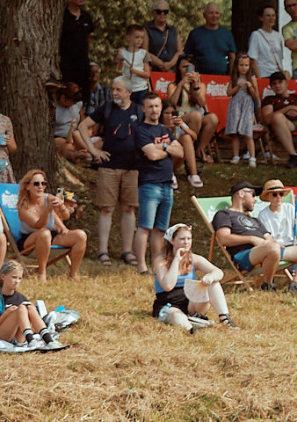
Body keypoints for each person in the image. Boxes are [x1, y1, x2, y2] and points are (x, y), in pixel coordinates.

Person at [79, 72, 143, 264]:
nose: (114, 93)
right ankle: (102, 251)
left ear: (129, 92)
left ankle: (127, 251)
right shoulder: (105, 108)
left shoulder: (140, 111)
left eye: (118, 90)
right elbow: (83, 126)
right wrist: (93, 151)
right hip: (109, 167)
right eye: (113, 89)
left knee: (128, 208)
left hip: (133, 167)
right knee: (106, 208)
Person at [131, 94, 182, 272]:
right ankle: (141, 266)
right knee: (145, 226)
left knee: (160, 229)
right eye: (150, 106)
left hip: (167, 185)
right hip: (149, 184)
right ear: (144, 109)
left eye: (157, 106)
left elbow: (181, 152)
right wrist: (169, 149)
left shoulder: (165, 130)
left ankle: (156, 264)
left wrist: (162, 148)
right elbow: (151, 155)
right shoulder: (141, 130)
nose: (154, 110)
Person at [150, 223, 233, 331]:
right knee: (177, 317)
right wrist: (176, 260)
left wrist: (210, 277)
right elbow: (168, 286)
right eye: (182, 239)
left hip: (191, 302)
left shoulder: (194, 258)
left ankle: (225, 319)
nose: (186, 242)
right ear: (172, 241)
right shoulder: (161, 261)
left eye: (189, 238)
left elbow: (218, 272)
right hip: (169, 304)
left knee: (214, 283)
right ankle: (191, 328)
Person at [252, 178, 297, 290]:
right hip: (274, 250)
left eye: (281, 194)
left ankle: (294, 284)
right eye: (274, 194)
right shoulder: (263, 215)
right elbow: (266, 237)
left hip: (290, 248)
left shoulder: (289, 208)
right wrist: (276, 245)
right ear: (268, 197)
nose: (279, 197)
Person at [13, 171, 87, 278]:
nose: (40, 187)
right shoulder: (23, 207)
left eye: (43, 183)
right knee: (44, 233)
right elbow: (38, 225)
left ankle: (73, 274)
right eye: (36, 184)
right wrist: (47, 210)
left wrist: (61, 207)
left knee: (80, 235)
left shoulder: (48, 198)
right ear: (27, 186)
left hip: (49, 236)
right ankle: (41, 273)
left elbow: (65, 216)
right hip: (29, 240)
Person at [0, 259, 60, 349]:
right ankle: (30, 340)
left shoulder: (20, 298)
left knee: (30, 307)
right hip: (4, 334)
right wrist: (7, 314)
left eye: (19, 278)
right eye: (14, 277)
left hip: (19, 336)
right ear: (3, 277)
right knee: (21, 309)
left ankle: (48, 340)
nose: (17, 281)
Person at [222, 52, 259, 165]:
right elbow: (229, 92)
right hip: (235, 106)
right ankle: (236, 155)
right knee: (235, 132)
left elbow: (256, 95)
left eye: (246, 65)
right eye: (241, 65)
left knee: (247, 132)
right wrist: (238, 86)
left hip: (247, 106)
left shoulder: (252, 78)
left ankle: (252, 157)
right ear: (236, 66)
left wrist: (250, 86)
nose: (244, 68)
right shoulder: (234, 78)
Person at [183, 1, 237, 77]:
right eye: (211, 13)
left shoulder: (227, 34)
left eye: (216, 13)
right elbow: (188, 58)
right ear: (204, 15)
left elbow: (232, 57)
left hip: (222, 77)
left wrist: (232, 77)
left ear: (220, 15)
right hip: (199, 78)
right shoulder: (195, 34)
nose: (214, 16)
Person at [247, 4, 287, 80]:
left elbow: (279, 57)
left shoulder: (278, 35)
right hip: (264, 74)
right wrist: (259, 78)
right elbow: (253, 59)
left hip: (277, 75)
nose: (271, 18)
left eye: (273, 15)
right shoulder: (256, 35)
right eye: (268, 16)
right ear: (261, 18)